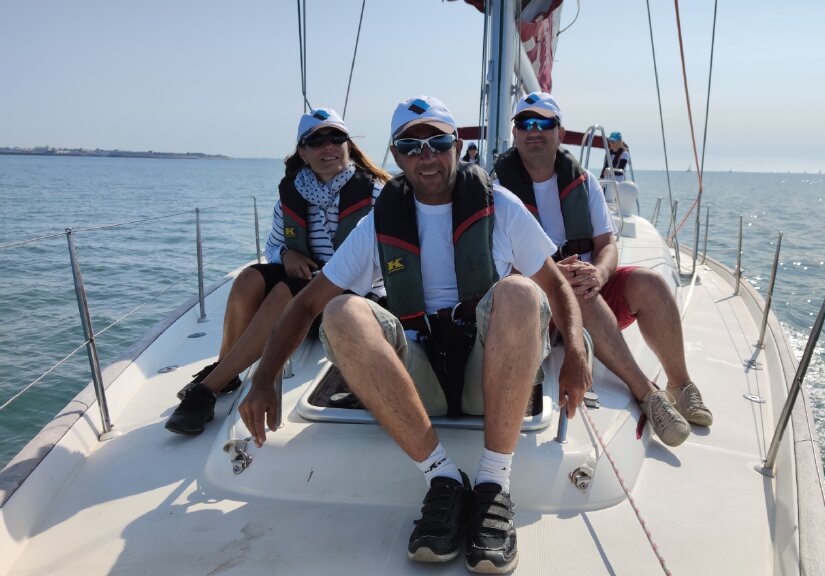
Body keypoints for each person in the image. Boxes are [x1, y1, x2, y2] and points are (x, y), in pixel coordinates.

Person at [238, 96, 589, 574]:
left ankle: (492, 485)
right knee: (341, 311)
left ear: (457, 146)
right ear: (395, 156)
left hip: (488, 375)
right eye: (411, 146)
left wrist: (576, 354)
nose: (426, 157)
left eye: (437, 143)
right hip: (417, 382)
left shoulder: (499, 206)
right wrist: (264, 379)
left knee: (520, 291)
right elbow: (305, 305)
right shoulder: (380, 222)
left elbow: (557, 287)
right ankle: (443, 479)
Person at [494, 91, 713, 448]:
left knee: (650, 284)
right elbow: (496, 264)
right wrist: (551, 275)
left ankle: (681, 385)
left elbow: (607, 245)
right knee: (576, 291)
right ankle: (647, 393)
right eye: (525, 123)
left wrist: (599, 273)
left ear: (559, 133)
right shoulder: (497, 191)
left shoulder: (584, 183)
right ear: (515, 133)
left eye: (544, 123)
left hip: (585, 285)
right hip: (533, 302)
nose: (534, 130)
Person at [165, 107, 389, 436]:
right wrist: (286, 254)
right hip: (305, 293)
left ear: (348, 144)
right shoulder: (292, 196)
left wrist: (329, 276)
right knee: (249, 278)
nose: (328, 146)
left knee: (286, 291)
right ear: (303, 152)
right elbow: (272, 245)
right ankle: (227, 369)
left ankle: (207, 390)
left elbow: (386, 260)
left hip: (352, 297)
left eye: (336, 137)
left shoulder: (376, 194)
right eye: (316, 141)